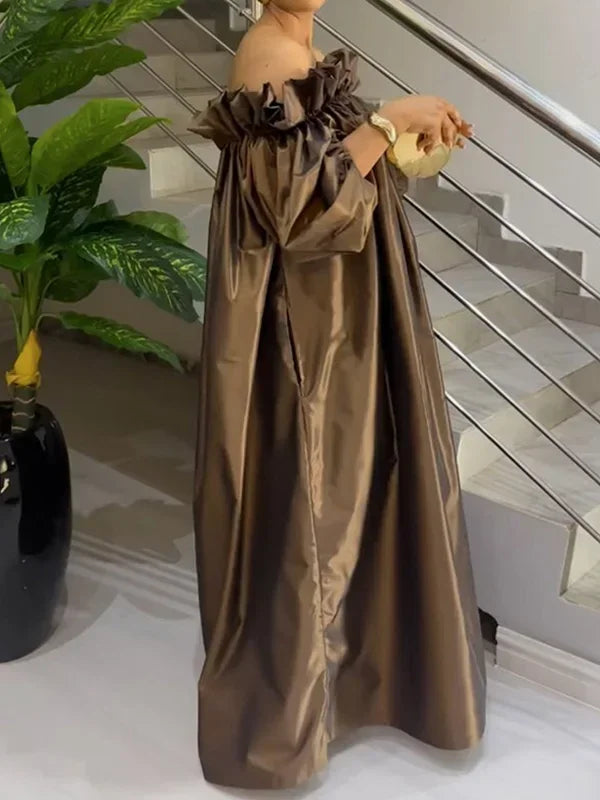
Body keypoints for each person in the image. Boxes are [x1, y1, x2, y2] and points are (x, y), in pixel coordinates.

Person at [191, 0, 486, 790]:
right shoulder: (269, 54)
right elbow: (297, 208)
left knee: (351, 497)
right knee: (315, 505)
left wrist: (404, 140)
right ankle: (292, 710)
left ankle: (359, 677)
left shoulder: (299, 47)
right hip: (307, 328)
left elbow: (334, 169)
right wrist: (388, 121)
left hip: (342, 312)